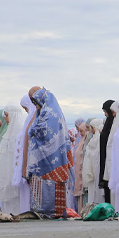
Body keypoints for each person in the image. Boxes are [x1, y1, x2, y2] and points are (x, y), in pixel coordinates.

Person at [25, 87, 74, 218]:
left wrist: (33, 131)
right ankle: (40, 211)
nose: (36, 106)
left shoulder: (52, 115)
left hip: (53, 159)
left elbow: (43, 133)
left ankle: (52, 212)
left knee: (52, 185)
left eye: (36, 103)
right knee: (41, 186)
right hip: (42, 159)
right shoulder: (42, 114)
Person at [0, 103, 25, 215]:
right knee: (8, 208)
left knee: (17, 204)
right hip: (6, 178)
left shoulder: (20, 134)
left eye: (6, 115)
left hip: (16, 179)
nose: (5, 119)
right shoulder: (6, 134)